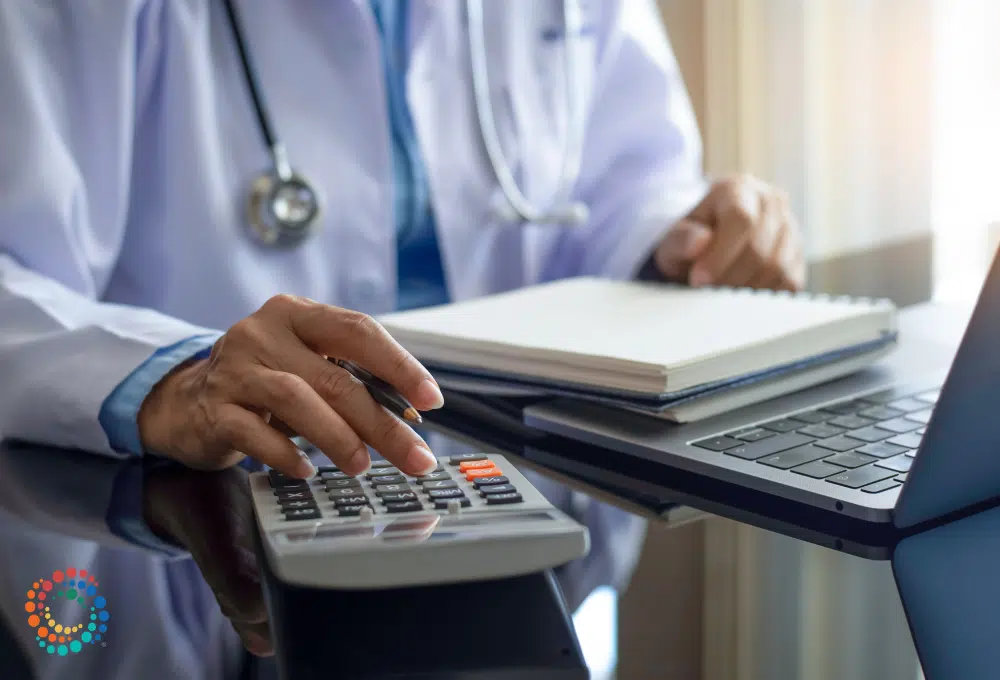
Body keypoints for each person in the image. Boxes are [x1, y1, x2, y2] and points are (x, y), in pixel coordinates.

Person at [0, 1, 805, 678]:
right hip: (195, 558)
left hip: (528, 550)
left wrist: (681, 235)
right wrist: (176, 378)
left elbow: (627, 176)